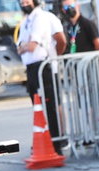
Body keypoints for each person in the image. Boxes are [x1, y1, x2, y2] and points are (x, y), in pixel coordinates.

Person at [16, 0, 65, 139]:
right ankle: (44, 138)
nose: (23, 3)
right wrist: (25, 46)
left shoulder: (41, 18)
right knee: (38, 105)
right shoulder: (26, 21)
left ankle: (56, 139)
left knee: (51, 105)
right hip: (31, 68)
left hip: (43, 67)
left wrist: (26, 46)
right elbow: (19, 47)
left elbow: (32, 46)